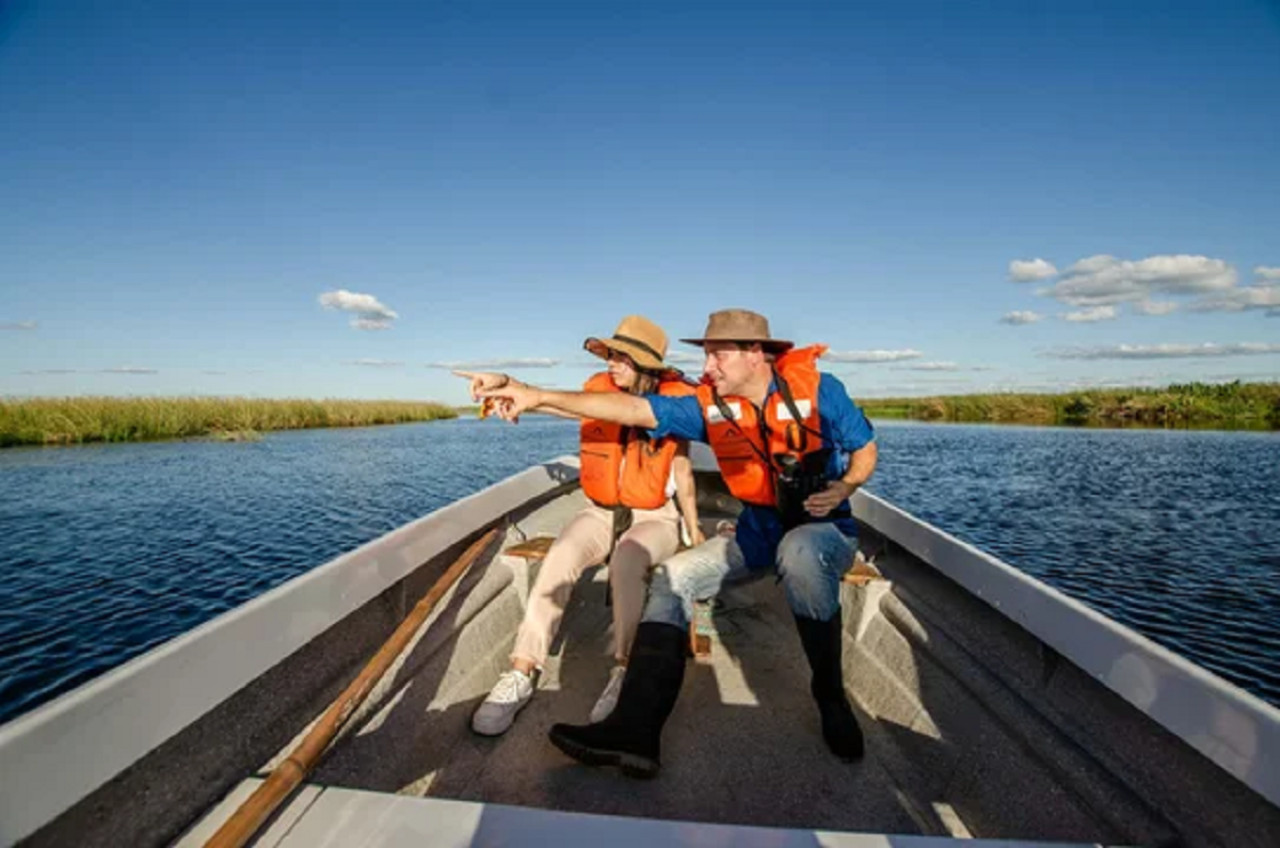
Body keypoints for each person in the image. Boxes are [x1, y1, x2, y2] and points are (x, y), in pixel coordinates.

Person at [468, 309, 877, 777]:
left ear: (755, 354)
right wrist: (531, 393)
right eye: (705, 355)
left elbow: (865, 450)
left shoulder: (822, 392)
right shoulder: (711, 405)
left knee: (800, 551)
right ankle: (635, 732)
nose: (707, 367)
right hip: (757, 532)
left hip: (824, 531)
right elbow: (632, 409)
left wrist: (845, 488)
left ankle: (831, 697)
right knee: (672, 577)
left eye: (717, 355)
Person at [460, 315, 703, 736]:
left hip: (654, 516)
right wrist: (508, 384)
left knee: (628, 560)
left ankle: (623, 670)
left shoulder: (673, 405)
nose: (611, 363)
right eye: (609, 354)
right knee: (561, 555)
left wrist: (694, 531)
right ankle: (522, 671)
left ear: (646, 365)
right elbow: (560, 403)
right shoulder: (597, 394)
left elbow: (682, 473)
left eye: (621, 357)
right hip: (602, 510)